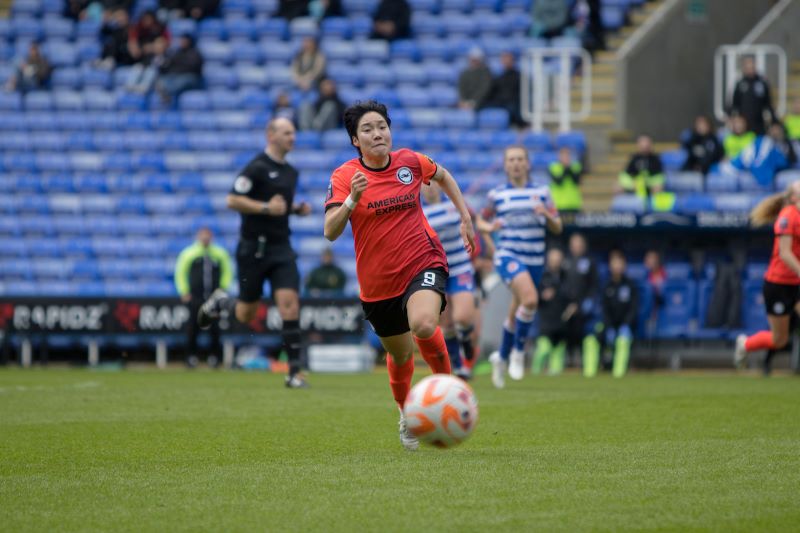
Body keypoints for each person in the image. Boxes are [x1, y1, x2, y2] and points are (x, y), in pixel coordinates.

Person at [323, 100, 475, 451]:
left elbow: (443, 175)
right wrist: (351, 201)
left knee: (423, 324)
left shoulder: (410, 161)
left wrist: (464, 216)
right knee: (402, 355)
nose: (377, 133)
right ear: (354, 141)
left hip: (423, 260)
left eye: (382, 126)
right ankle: (406, 412)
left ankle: (448, 394)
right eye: (367, 129)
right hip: (378, 285)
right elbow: (330, 232)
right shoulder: (345, 177)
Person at [197, 118, 313, 389]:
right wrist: (264, 208)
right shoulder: (257, 167)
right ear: (270, 135)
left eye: (294, 132)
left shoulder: (291, 172)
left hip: (281, 246)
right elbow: (232, 199)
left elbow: (279, 206)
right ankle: (221, 303)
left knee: (290, 303)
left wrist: (295, 209)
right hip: (253, 249)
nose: (292, 137)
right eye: (287, 132)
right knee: (246, 314)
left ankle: (294, 372)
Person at [478, 146, 563, 388]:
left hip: (534, 258)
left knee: (518, 308)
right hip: (508, 255)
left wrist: (546, 215)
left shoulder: (542, 192)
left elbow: (558, 227)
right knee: (530, 300)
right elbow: (481, 220)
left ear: (527, 163)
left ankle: (500, 358)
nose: (515, 163)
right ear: (505, 165)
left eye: (520, 159)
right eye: (511, 160)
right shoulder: (497, 195)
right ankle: (518, 352)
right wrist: (489, 231)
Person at [735, 181, 800, 374]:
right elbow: (785, 253)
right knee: (779, 340)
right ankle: (745, 344)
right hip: (778, 284)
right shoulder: (788, 216)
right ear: (794, 198)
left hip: (796, 284)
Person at [421, 180, 478, 381]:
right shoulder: (418, 213)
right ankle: (458, 365)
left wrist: (468, 227)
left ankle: (467, 339)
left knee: (462, 317)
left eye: (432, 183)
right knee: (445, 323)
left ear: (439, 186)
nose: (429, 188)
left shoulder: (454, 205)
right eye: (424, 185)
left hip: (460, 266)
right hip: (438, 271)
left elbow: (472, 221)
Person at [174, 228, 233, 368]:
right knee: (193, 328)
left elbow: (228, 271)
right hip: (196, 296)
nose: (205, 239)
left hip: (214, 297)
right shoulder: (189, 253)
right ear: (198, 237)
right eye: (203, 236)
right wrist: (184, 291)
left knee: (215, 328)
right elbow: (180, 272)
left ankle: (215, 358)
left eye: (208, 236)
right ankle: (191, 357)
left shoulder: (219, 253)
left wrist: (223, 289)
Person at [593, 249, 638, 378]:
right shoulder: (606, 285)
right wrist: (609, 326)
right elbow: (604, 308)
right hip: (609, 324)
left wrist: (626, 324)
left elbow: (633, 308)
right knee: (592, 338)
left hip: (625, 325)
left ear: (624, 265)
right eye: (614, 263)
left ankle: (618, 373)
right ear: (610, 265)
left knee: (622, 341)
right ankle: (593, 371)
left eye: (620, 263)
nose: (617, 266)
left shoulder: (630, 285)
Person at [561, 232, 600, 377]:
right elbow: (562, 284)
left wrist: (584, 303)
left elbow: (594, 285)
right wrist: (568, 303)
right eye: (574, 244)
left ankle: (584, 364)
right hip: (567, 307)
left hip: (583, 308)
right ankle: (569, 363)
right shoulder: (566, 262)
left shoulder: (590, 262)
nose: (576, 246)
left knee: (584, 335)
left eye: (579, 244)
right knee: (567, 335)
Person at [531, 248, 569, 376]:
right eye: (553, 259)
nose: (555, 261)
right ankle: (534, 372)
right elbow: (532, 296)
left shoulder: (566, 276)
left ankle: (555, 376)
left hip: (562, 319)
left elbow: (571, 294)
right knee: (544, 348)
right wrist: (542, 295)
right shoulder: (542, 277)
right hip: (546, 319)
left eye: (558, 259)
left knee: (558, 351)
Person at [727, 122, 791, 188]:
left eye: (777, 129)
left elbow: (785, 161)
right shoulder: (764, 142)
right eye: (773, 129)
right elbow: (749, 155)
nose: (775, 132)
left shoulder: (788, 144)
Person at [729, 56, 776, 136]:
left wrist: (774, 121)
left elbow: (768, 104)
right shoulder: (740, 84)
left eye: (752, 66)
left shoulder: (762, 83)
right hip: (743, 125)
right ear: (744, 67)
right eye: (747, 66)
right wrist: (732, 119)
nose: (750, 68)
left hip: (758, 123)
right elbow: (734, 104)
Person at [155, 33, 203, 104]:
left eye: (184, 40)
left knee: (181, 81)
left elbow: (194, 68)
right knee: (161, 80)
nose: (182, 42)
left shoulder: (195, 53)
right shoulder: (177, 52)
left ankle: (166, 93)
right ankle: (165, 93)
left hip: (190, 77)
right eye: (181, 40)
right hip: (175, 76)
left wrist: (181, 65)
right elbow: (169, 65)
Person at [618, 135, 664, 199]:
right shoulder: (634, 158)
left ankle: (652, 208)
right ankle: (621, 206)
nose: (644, 147)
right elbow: (626, 174)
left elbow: (659, 176)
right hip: (636, 184)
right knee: (618, 188)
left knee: (658, 188)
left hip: (650, 184)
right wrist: (632, 184)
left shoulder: (655, 159)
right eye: (642, 145)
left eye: (646, 145)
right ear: (638, 145)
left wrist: (648, 183)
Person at [485, 51, 524, 127]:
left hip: (513, 104)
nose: (505, 62)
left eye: (508, 59)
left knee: (512, 108)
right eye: (504, 59)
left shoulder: (518, 76)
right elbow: (490, 93)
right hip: (500, 103)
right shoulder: (498, 77)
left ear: (512, 61)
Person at [548, 147, 583, 213]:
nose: (565, 158)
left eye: (567, 156)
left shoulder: (576, 166)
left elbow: (576, 181)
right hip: (559, 204)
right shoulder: (553, 167)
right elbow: (559, 182)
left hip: (574, 203)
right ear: (559, 157)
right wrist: (565, 168)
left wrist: (568, 167)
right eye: (563, 156)